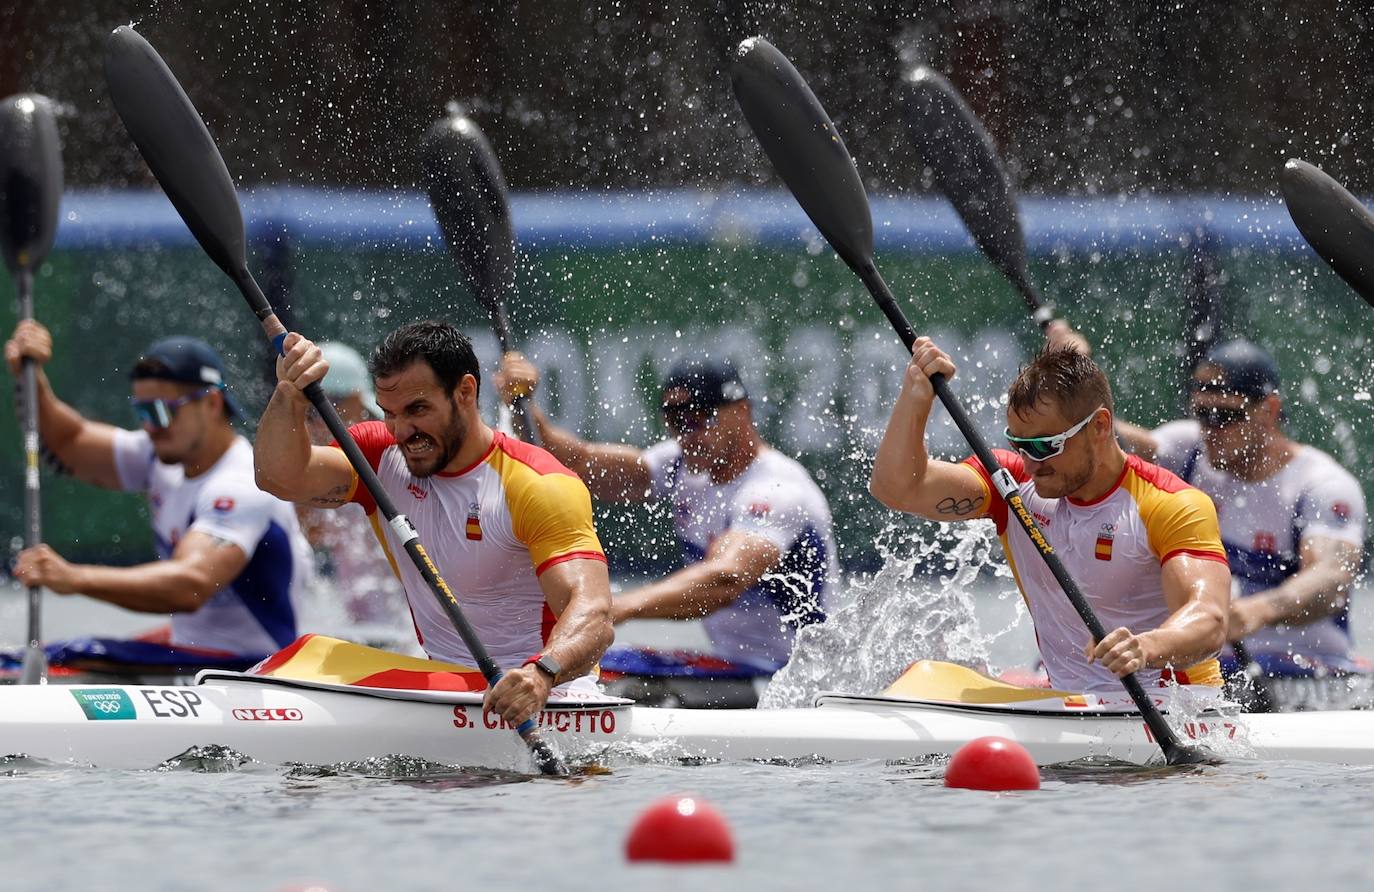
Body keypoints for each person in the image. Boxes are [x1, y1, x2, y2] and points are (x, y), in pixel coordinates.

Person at [255, 321, 613, 727]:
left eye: (417, 410)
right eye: (390, 414)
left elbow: (595, 615)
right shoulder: (379, 455)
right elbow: (280, 478)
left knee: (296, 668)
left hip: (547, 697)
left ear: (465, 392)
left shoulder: (537, 485)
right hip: (447, 691)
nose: (403, 432)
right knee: (304, 656)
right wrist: (290, 394)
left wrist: (541, 673)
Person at [869, 338, 1231, 694]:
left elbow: (1209, 619)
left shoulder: (1169, 504)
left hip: (1172, 708)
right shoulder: (1010, 485)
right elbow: (898, 490)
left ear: (1100, 426)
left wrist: (1148, 646)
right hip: (1068, 702)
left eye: (1045, 445)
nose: (1031, 463)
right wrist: (916, 398)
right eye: (1020, 445)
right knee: (922, 679)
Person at [495, 352, 838, 676]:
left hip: (795, 675)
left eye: (698, 418)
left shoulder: (776, 488)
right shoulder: (680, 465)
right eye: (675, 421)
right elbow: (579, 463)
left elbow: (724, 581)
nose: (687, 434)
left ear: (742, 411)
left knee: (595, 672)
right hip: (732, 665)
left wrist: (613, 608)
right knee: (587, 667)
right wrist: (524, 406)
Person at [4, 321, 313, 668]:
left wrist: (73, 578)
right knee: (34, 654)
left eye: (162, 411)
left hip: (253, 666)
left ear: (211, 403)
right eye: (142, 412)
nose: (150, 425)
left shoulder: (240, 484)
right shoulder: (161, 454)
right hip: (196, 654)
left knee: (54, 657)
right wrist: (32, 377)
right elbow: (68, 443)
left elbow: (190, 585)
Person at [1105, 338, 1366, 675]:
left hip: (1305, 670)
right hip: (1216, 665)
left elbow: (1332, 581)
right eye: (1201, 413)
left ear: (1269, 411)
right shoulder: (1187, 450)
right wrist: (1077, 380)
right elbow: (1106, 443)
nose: (1210, 429)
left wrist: (1256, 612)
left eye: (1225, 415)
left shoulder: (1321, 485)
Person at [296, 341, 408, 632]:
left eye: (328, 403)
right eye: (310, 409)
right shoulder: (327, 467)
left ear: (360, 399)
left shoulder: (401, 455)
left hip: (412, 633)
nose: (319, 418)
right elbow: (309, 534)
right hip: (361, 629)